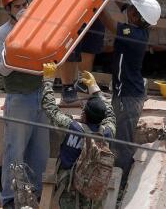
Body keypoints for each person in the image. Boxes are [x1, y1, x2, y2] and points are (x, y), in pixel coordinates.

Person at [0, 0, 48, 209]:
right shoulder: (1, 34)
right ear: (8, 10)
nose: (23, 9)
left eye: (25, 4)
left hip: (40, 95)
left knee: (39, 151)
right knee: (14, 151)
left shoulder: (38, 29)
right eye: (17, 6)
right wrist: (18, 40)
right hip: (18, 98)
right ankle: (9, 199)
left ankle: (33, 196)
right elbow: (3, 69)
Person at [98, 0, 161, 181]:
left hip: (128, 98)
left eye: (133, 10)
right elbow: (124, 5)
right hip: (127, 94)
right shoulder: (138, 28)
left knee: (122, 143)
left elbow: (109, 23)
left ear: (137, 17)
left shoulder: (132, 34)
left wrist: (97, 1)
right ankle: (119, 178)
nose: (129, 10)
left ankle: (119, 182)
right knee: (119, 137)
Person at [39, 63, 116, 209]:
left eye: (83, 111)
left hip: (69, 189)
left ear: (85, 115)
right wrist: (95, 89)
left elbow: (50, 109)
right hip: (93, 190)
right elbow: (110, 112)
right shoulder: (108, 132)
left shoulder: (74, 128)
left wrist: (48, 81)